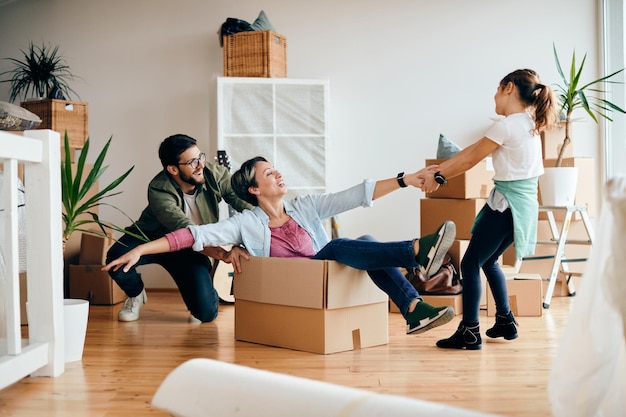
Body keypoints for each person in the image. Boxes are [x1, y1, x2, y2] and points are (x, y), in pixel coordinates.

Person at [104, 156, 458, 335]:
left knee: (358, 242)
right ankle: (414, 252)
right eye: (269, 172)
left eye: (276, 169)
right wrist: (140, 250)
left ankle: (412, 308)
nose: (278, 174)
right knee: (337, 248)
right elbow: (195, 236)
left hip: (325, 277)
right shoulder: (247, 222)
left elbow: (352, 196)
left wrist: (405, 180)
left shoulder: (304, 207)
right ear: (254, 190)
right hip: (296, 289)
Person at [418, 69, 558, 350]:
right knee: (489, 261)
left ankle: (470, 331)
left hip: (506, 206)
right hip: (521, 207)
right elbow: (472, 149)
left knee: (470, 264)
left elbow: (471, 158)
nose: (494, 95)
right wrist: (439, 169)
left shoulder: (507, 126)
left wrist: (439, 176)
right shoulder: (527, 124)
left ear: (508, 88)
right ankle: (505, 320)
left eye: (496, 89)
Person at [106, 134, 252, 323]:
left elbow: (242, 203)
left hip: (189, 247)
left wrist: (266, 222)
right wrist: (220, 254)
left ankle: (201, 298)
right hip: (152, 238)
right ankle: (135, 294)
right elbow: (184, 229)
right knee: (116, 260)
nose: (201, 165)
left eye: (201, 157)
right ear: (173, 169)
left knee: (207, 314)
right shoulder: (159, 189)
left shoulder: (213, 174)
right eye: (192, 162)